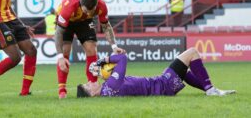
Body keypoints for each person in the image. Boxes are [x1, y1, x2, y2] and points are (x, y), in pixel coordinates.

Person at [77, 48, 236, 97]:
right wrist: (103, 60)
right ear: (91, 94)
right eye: (88, 85)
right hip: (163, 85)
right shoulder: (110, 85)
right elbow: (122, 58)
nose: (90, 82)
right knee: (193, 52)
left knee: (183, 71)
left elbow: (114, 76)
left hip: (159, 85)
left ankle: (212, 90)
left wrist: (99, 70)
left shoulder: (107, 90)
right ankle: (210, 90)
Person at [54, 0, 125, 99]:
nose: (89, 13)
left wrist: (114, 46)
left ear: (96, 6)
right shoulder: (69, 6)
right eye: (86, 11)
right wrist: (60, 57)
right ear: (81, 4)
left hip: (84, 22)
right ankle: (62, 89)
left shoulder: (101, 6)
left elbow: (106, 26)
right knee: (65, 50)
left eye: (91, 12)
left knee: (91, 48)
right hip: (67, 22)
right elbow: (59, 33)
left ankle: (93, 84)